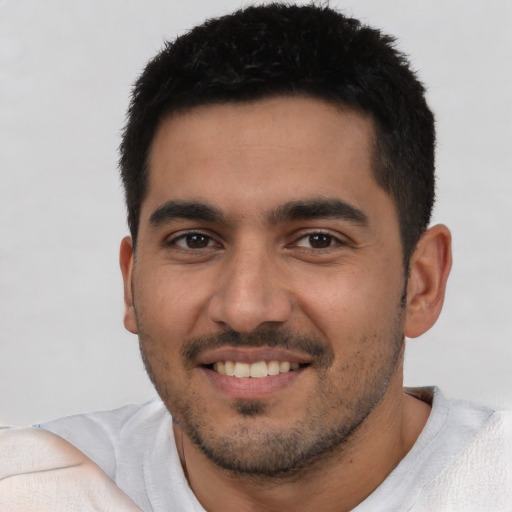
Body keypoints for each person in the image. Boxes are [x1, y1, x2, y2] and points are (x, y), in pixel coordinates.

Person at [0, 3, 510, 511]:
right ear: (131, 282)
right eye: (195, 241)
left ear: (421, 283)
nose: (245, 307)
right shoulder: (26, 489)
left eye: (317, 241)